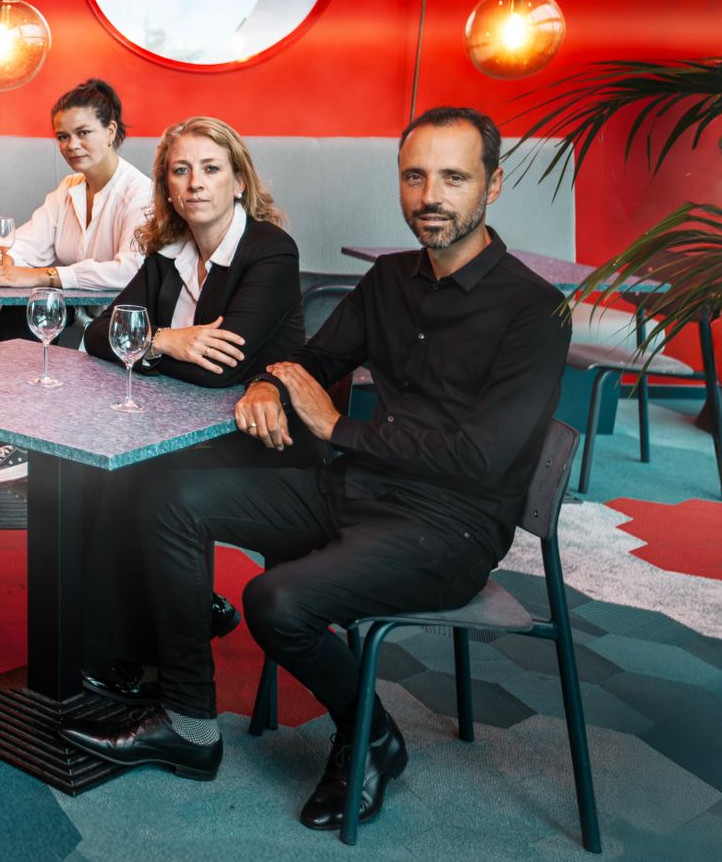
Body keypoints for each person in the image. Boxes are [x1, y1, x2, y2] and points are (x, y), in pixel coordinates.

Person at [59, 108, 572, 834]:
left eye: (453, 178)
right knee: (167, 496)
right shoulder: (389, 279)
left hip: (450, 526)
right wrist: (270, 386)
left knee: (276, 600)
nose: (430, 195)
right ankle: (189, 723)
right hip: (355, 489)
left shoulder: (535, 310)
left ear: (491, 185)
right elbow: (314, 360)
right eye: (415, 176)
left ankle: (372, 735)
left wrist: (337, 428)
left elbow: (479, 458)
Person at [75, 116, 312, 701]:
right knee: (92, 471)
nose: (195, 183)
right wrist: (167, 340)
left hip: (264, 439)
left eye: (211, 168)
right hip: (180, 426)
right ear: (167, 186)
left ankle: (137, 654)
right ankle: (161, 619)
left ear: (239, 181)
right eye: (180, 171)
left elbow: (220, 370)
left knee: (137, 479)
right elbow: (99, 335)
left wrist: (145, 348)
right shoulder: (166, 252)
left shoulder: (270, 251)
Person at [0, 79, 153, 492]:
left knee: (34, 325)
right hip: (76, 317)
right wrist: (7, 261)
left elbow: (129, 270)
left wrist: (43, 275)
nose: (72, 145)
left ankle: (26, 445)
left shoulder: (139, 194)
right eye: (63, 137)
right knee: (5, 324)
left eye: (83, 132)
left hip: (123, 326)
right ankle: (12, 438)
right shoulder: (68, 189)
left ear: (111, 131)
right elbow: (20, 243)